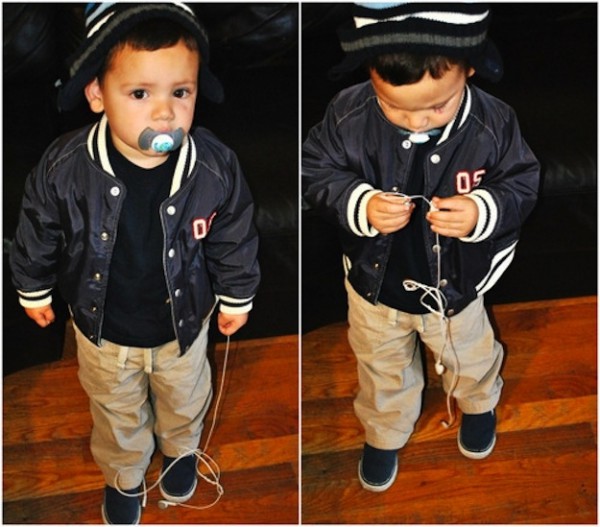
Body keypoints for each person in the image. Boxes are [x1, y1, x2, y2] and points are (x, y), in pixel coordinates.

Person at [10, 3, 260, 523]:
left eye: (181, 92)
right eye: (140, 94)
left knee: (185, 398)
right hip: (105, 333)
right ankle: (124, 473)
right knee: (115, 410)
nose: (164, 113)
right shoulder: (64, 167)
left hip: (182, 328)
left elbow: (234, 232)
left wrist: (237, 294)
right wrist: (32, 286)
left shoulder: (214, 165)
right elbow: (37, 229)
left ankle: (180, 450)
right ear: (97, 94)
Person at [302, 2, 539, 493]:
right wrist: (359, 202)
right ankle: (385, 427)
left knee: (470, 354)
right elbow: (315, 171)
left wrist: (481, 210)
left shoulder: (494, 123)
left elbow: (521, 181)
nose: (415, 123)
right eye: (395, 107)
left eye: (436, 107)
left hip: (456, 284)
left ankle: (478, 403)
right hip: (374, 286)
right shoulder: (347, 113)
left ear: (469, 68)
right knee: (380, 365)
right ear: (370, 74)